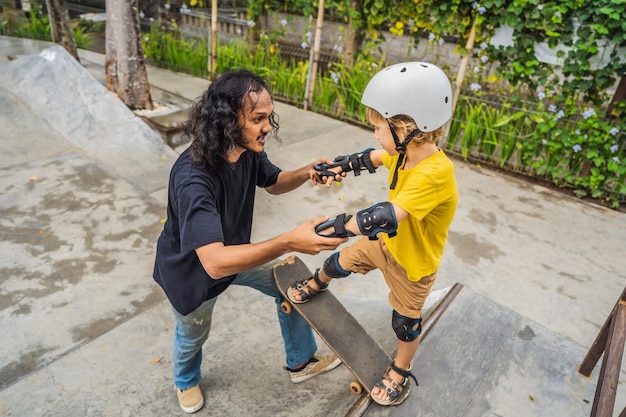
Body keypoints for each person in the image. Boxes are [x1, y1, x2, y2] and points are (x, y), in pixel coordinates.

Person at [152, 69, 347, 414]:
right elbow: (213, 262)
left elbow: (273, 182)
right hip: (194, 275)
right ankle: (184, 380)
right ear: (228, 122)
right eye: (258, 118)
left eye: (268, 117)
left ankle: (301, 361)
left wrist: (306, 171)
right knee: (192, 336)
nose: (267, 127)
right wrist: (290, 240)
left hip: (236, 254)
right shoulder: (194, 180)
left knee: (294, 282)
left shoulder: (247, 150)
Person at [287, 62, 458, 406]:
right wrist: (339, 166)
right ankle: (317, 282)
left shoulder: (436, 173)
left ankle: (400, 370)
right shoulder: (404, 153)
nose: (375, 134)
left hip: (413, 266)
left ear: (407, 126)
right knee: (337, 263)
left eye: (378, 127)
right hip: (385, 246)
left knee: (404, 325)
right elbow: (370, 158)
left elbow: (382, 216)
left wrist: (333, 226)